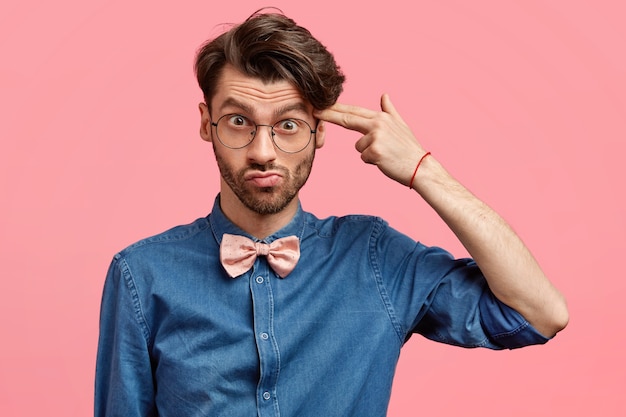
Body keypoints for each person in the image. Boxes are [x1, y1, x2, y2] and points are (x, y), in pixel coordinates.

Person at [95, 9, 568, 417]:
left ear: (320, 130)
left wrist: (424, 171)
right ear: (206, 123)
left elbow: (540, 313)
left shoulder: (375, 259)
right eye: (239, 121)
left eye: (289, 124)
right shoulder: (141, 274)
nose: (263, 151)